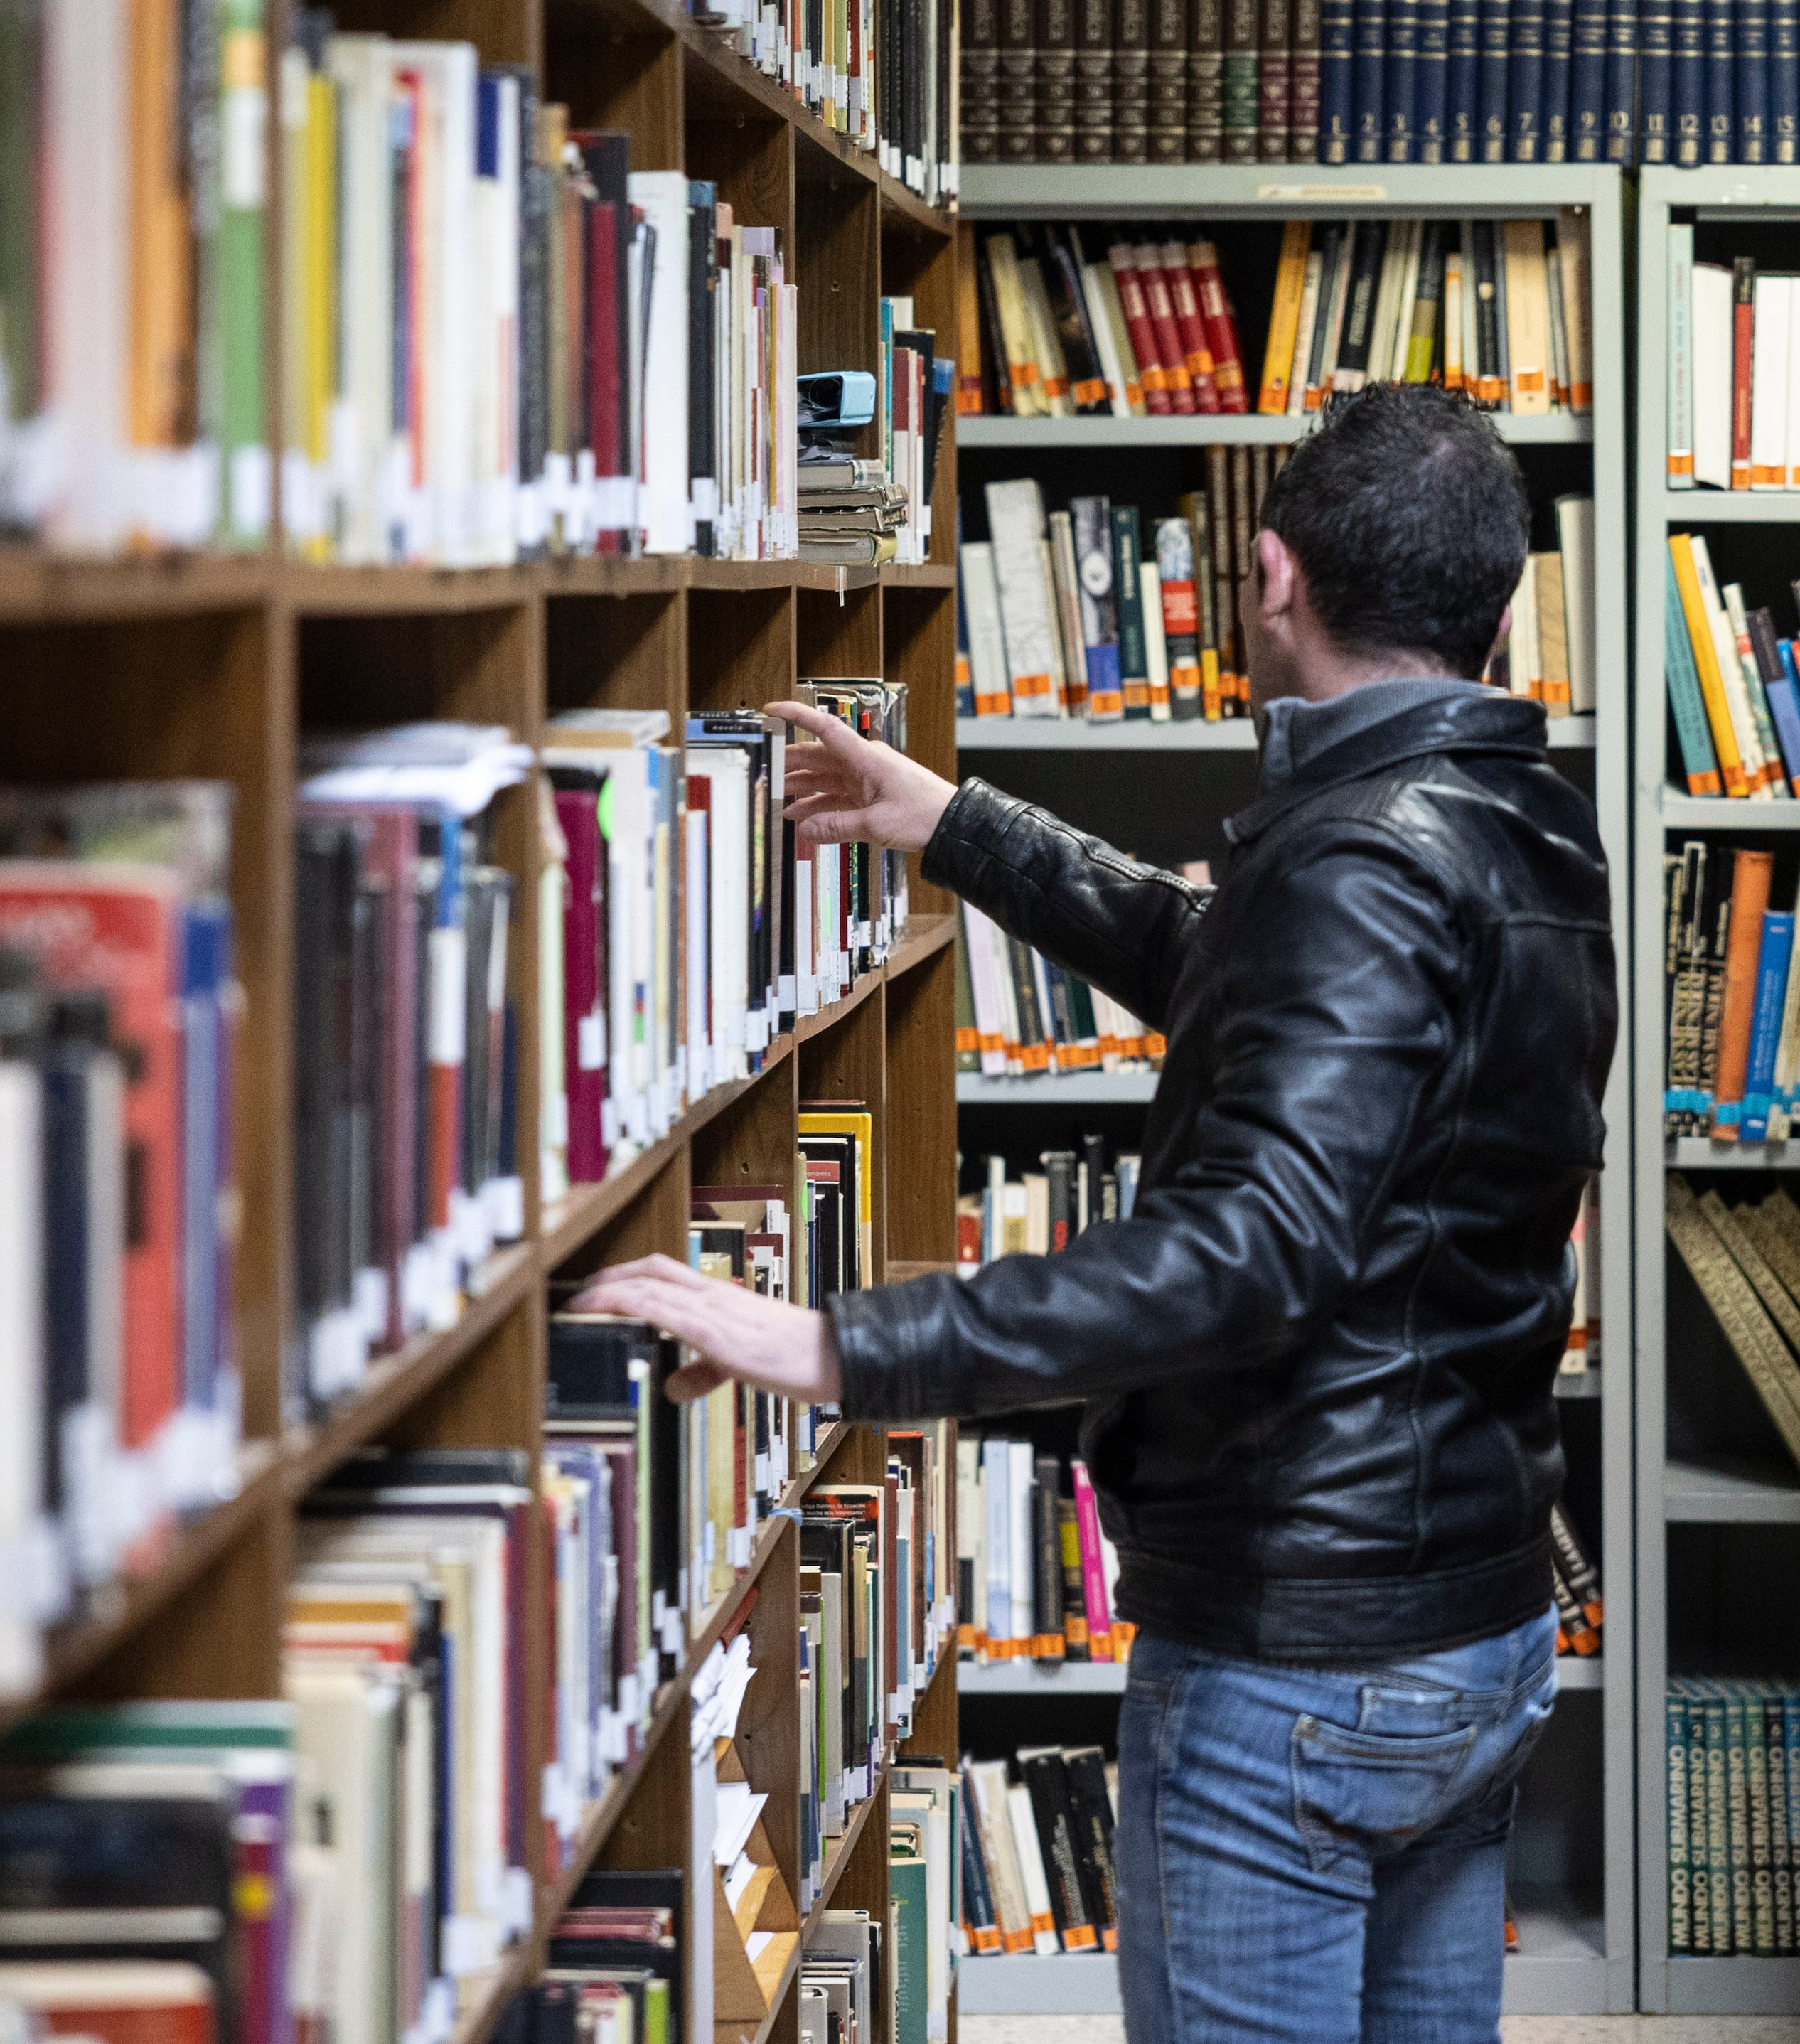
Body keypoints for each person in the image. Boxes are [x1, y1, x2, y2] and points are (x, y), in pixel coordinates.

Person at [572, 380, 1617, 2044]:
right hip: (1470, 1624)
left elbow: (1249, 1246)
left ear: (1268, 575)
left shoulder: (1356, 859)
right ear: (1494, 602)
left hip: (1301, 1647)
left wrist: (839, 1338)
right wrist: (948, 821)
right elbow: (1247, 980)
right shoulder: (1521, 824)